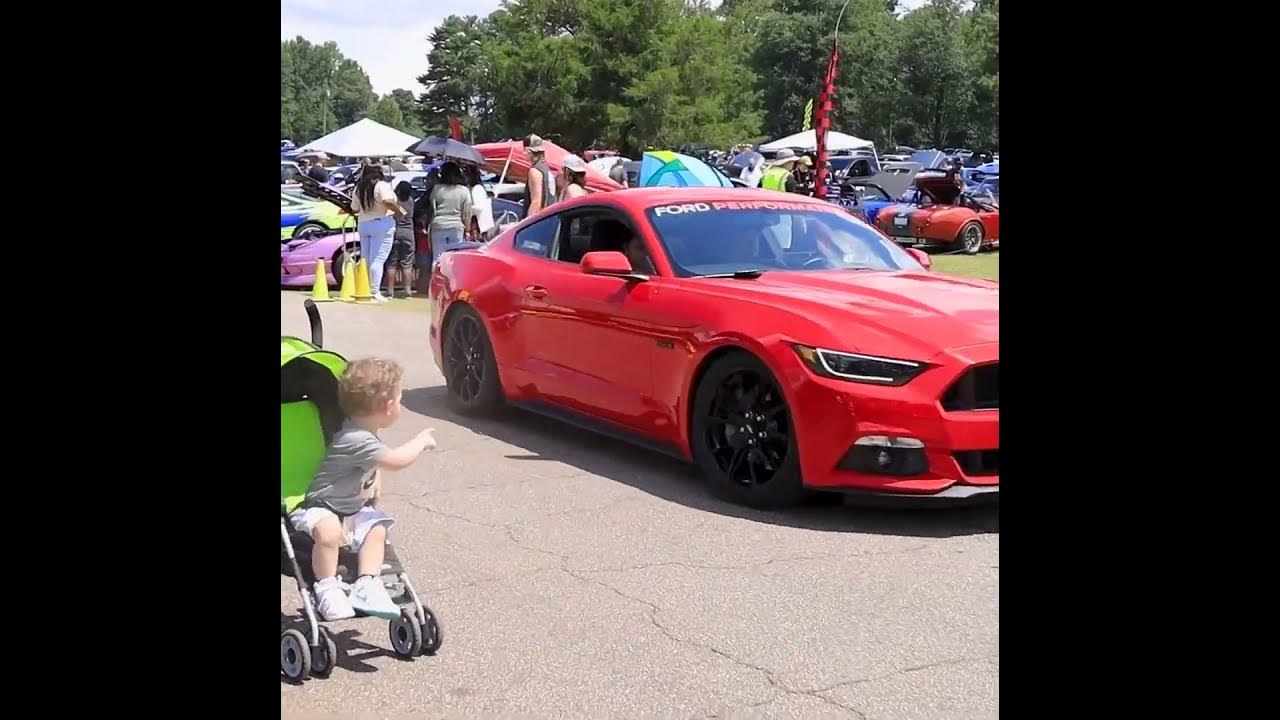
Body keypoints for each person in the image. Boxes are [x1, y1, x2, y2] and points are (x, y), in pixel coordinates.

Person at [288, 357, 438, 621]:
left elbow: (370, 471)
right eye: (399, 399)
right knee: (329, 532)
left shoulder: (365, 431)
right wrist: (421, 441)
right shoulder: (355, 438)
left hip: (352, 508)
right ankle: (326, 587)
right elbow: (396, 461)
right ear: (388, 406)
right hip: (320, 506)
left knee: (377, 528)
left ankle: (366, 583)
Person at [349, 164, 404, 303]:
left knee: (365, 259)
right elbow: (387, 201)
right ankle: (374, 291)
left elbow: (354, 208)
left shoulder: (359, 188)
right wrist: (399, 211)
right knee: (378, 259)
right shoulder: (381, 186)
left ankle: (364, 288)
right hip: (381, 223)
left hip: (363, 223)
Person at [428, 161, 474, 263]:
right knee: (455, 258)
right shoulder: (464, 190)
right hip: (456, 226)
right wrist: (467, 229)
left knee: (437, 258)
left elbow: (433, 208)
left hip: (438, 224)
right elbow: (466, 213)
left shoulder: (437, 189)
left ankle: (436, 277)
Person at [383, 181, 415, 298]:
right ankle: (408, 290)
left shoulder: (394, 202)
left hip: (395, 232)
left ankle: (390, 290)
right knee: (407, 264)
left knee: (392, 263)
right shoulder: (411, 201)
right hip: (408, 233)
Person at [523, 134, 556, 214]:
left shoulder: (535, 171)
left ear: (527, 150)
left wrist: (528, 224)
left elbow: (536, 202)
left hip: (540, 220)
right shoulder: (546, 170)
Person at [464, 165, 495, 242]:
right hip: (481, 225)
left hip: (479, 226)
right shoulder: (477, 188)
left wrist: (467, 209)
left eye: (466, 175)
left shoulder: (477, 189)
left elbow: (479, 208)